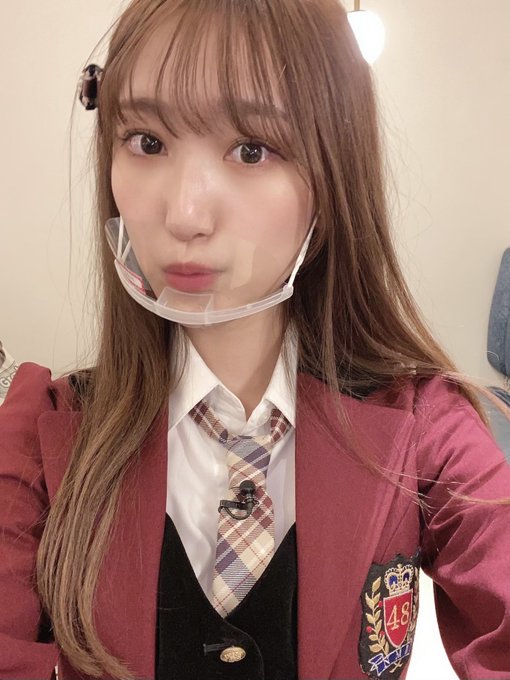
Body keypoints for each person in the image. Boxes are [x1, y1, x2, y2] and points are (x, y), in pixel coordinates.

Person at [1, 1, 510, 679]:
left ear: (333, 175)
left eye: (251, 149)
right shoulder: (39, 436)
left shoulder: (426, 431)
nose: (184, 214)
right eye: (146, 141)